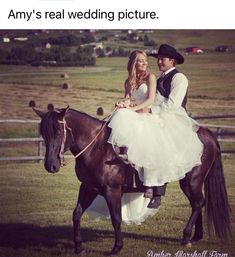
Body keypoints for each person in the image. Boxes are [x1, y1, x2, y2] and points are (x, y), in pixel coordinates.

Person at [107, 47, 203, 209]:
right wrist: (127, 104)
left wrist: (148, 110)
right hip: (153, 113)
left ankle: (157, 191)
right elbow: (144, 98)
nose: (158, 62)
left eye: (162, 59)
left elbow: (172, 105)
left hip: (172, 118)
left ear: (172, 60)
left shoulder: (180, 78)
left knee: (155, 144)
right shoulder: (158, 78)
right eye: (157, 58)